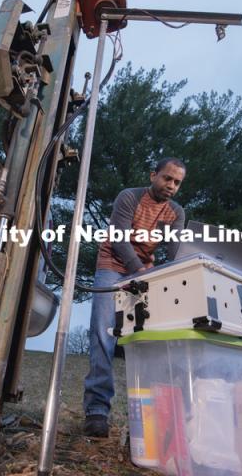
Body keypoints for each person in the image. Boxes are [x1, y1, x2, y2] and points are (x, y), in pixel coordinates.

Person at [83, 157, 186, 437]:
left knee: (150, 340)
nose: (171, 186)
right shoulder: (129, 197)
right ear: (153, 175)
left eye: (177, 182)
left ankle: (151, 415)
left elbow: (174, 251)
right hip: (113, 267)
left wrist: (182, 268)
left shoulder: (176, 213)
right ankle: (96, 410)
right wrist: (138, 271)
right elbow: (118, 238)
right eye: (167, 178)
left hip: (145, 272)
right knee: (104, 334)